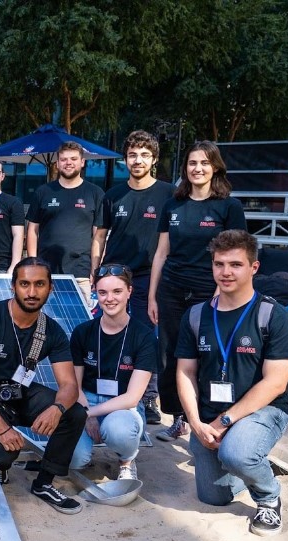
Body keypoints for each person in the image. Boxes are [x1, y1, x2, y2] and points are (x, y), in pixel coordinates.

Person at [176, 230, 288, 537]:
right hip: (209, 417)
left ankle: (269, 497)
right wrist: (196, 423)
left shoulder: (274, 316)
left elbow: (275, 384)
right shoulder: (195, 316)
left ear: (253, 268)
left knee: (236, 453)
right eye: (219, 264)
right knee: (213, 497)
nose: (226, 272)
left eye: (236, 264)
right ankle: (254, 461)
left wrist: (224, 421)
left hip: (263, 411)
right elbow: (185, 373)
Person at [0, 257, 87, 514]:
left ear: (50, 288)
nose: (31, 292)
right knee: (5, 456)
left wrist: (57, 409)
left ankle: (44, 483)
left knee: (74, 414)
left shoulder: (52, 331)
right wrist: (2, 428)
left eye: (39, 284)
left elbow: (69, 385)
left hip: (17, 393)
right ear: (13, 286)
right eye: (24, 284)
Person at [149, 141, 247, 441]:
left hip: (211, 290)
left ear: (215, 167)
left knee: (211, 355)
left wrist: (223, 292)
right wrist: (153, 294)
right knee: (170, 355)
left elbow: (237, 254)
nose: (198, 168)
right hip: (172, 289)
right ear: (185, 168)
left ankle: (215, 422)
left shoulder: (228, 206)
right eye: (192, 163)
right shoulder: (173, 205)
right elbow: (161, 252)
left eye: (204, 163)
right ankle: (180, 417)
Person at [91, 130, 175, 424]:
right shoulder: (113, 195)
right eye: (132, 154)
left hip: (148, 278)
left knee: (144, 338)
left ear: (154, 159)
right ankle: (110, 391)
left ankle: (148, 397)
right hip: (113, 276)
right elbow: (99, 237)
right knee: (110, 334)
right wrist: (96, 271)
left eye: (144, 155)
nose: (137, 160)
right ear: (125, 159)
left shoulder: (168, 194)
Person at [68, 264, 157, 480]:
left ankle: (126, 460)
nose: (110, 299)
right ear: (95, 293)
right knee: (74, 461)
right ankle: (85, 452)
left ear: (129, 291)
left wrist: (89, 414)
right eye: (103, 292)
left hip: (125, 405)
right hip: (87, 399)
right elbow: (75, 385)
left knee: (118, 431)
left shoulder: (144, 336)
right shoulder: (83, 332)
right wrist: (85, 413)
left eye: (117, 291)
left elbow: (132, 397)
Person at [26, 142, 104, 298]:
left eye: (73, 159)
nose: (68, 163)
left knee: (79, 320)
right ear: (57, 163)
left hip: (81, 273)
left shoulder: (95, 193)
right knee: (44, 319)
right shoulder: (43, 192)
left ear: (82, 162)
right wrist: (34, 265)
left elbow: (99, 237)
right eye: (64, 159)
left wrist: (95, 270)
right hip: (45, 272)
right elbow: (32, 231)